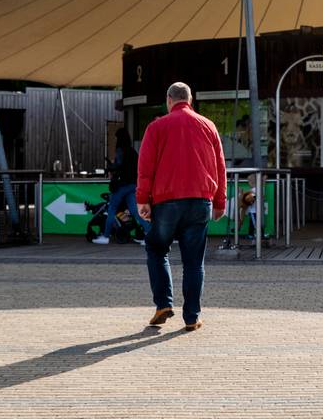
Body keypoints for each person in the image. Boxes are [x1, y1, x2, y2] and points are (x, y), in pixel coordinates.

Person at [136, 82, 227, 332]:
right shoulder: (208, 126)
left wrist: (143, 199)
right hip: (200, 201)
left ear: (169, 100)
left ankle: (163, 304)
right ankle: (192, 317)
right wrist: (220, 201)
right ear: (190, 99)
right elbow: (220, 167)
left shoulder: (157, 127)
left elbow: (145, 166)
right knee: (194, 262)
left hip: (166, 201)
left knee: (156, 248)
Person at [93, 128, 151, 245]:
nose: (115, 139)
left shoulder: (120, 151)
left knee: (111, 210)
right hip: (133, 185)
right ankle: (149, 235)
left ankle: (105, 236)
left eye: (116, 137)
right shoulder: (133, 151)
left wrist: (110, 167)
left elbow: (118, 167)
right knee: (135, 211)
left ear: (119, 138)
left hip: (122, 185)